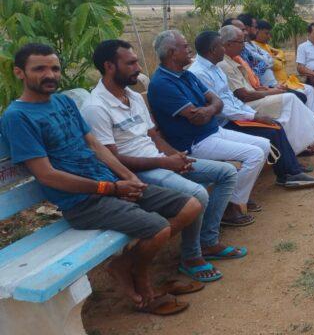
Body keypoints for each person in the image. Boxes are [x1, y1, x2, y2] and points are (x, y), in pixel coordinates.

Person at [0, 43, 201, 315]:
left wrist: (130, 178)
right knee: (157, 228)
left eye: (55, 68)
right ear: (19, 73)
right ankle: (142, 283)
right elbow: (47, 175)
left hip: (111, 187)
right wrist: (111, 187)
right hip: (83, 202)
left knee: (191, 205)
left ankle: (124, 264)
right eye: (40, 69)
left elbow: (95, 145)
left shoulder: (62, 101)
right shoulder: (17, 117)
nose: (50, 75)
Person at [81, 39, 247, 283]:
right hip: (134, 173)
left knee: (226, 173)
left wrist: (174, 156)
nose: (138, 67)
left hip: (159, 161)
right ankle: (191, 257)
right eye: (131, 63)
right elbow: (111, 160)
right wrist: (164, 163)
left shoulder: (133, 96)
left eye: (137, 61)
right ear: (109, 66)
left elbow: (153, 135)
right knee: (198, 194)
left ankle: (208, 242)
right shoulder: (96, 107)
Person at [148, 30, 270, 226]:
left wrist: (209, 110)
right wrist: (210, 109)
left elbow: (216, 101)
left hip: (211, 131)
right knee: (254, 154)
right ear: (172, 52)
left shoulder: (186, 75)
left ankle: (234, 201)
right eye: (185, 46)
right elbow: (196, 118)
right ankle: (230, 208)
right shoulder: (162, 83)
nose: (190, 50)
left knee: (264, 145)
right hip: (194, 142)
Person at [188, 30, 314, 188]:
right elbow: (224, 109)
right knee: (273, 129)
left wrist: (252, 114)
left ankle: (291, 171)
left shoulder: (214, 67)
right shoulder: (200, 73)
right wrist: (253, 116)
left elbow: (230, 100)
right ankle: (289, 174)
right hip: (224, 123)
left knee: (274, 125)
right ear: (212, 50)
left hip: (235, 116)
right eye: (221, 46)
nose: (224, 49)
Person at [217, 25, 314, 155]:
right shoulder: (225, 64)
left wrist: (266, 88)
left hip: (261, 92)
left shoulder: (235, 59)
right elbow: (244, 95)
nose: (243, 45)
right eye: (240, 42)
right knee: (290, 99)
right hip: (246, 106)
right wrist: (272, 91)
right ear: (228, 44)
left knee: (296, 101)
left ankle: (304, 143)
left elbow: (266, 68)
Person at [252, 18, 314, 113]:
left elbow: (281, 53)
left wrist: (278, 57)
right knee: (302, 93)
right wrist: (278, 59)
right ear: (257, 31)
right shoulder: (256, 46)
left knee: (310, 89)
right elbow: (276, 65)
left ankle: (313, 120)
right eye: (266, 33)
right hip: (277, 83)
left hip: (286, 81)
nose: (269, 36)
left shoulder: (265, 45)